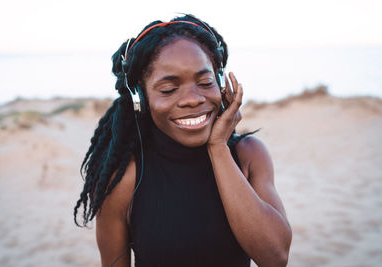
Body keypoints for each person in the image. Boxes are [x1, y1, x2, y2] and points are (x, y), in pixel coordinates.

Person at [74, 14, 292, 267]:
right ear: (140, 99)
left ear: (220, 82)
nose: (192, 99)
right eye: (168, 89)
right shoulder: (125, 177)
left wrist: (218, 147)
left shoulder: (249, 155)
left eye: (205, 82)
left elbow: (275, 257)